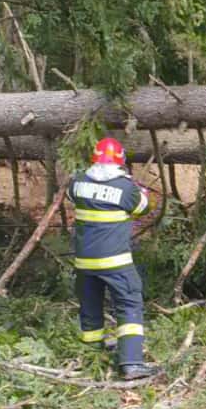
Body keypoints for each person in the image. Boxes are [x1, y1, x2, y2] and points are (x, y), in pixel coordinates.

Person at [66, 137, 159, 380]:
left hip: (84, 262)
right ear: (121, 160)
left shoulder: (77, 182)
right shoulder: (126, 188)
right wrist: (142, 191)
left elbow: (71, 196)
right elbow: (144, 207)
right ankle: (131, 363)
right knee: (129, 304)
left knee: (90, 305)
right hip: (116, 262)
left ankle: (91, 354)